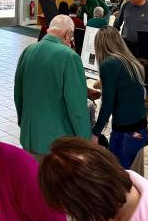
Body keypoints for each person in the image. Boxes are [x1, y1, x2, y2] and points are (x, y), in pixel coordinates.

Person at [14, 15, 91, 158]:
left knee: (32, 179)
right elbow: (77, 107)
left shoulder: (28, 51)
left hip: (29, 135)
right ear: (68, 34)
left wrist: (23, 123)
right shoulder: (70, 57)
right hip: (57, 142)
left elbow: (18, 94)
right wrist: (85, 141)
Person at [90, 27, 148, 168]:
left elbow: (107, 105)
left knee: (117, 178)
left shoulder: (109, 64)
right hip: (140, 129)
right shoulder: (132, 62)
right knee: (130, 174)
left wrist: (95, 132)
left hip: (125, 132)